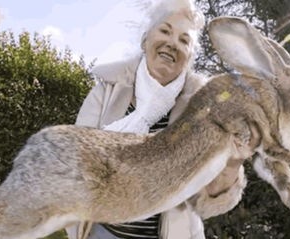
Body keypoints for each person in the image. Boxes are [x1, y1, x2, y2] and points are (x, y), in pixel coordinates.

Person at [67, 0, 246, 238]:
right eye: (165, 31)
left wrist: (232, 165)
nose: (172, 43)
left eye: (184, 40)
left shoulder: (206, 111)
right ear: (145, 40)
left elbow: (206, 201)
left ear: (190, 57)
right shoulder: (107, 91)